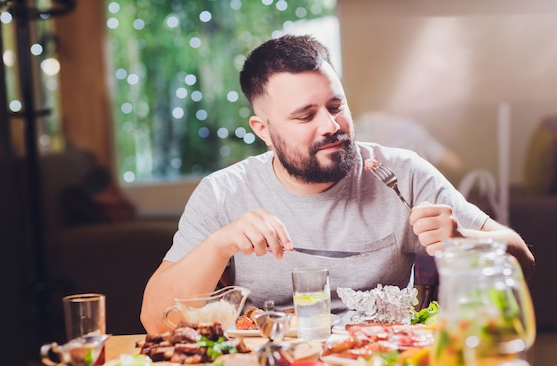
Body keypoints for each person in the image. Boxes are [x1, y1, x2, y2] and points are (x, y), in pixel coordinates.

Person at [140, 35, 534, 333]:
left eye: (335, 106)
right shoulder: (224, 192)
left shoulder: (403, 173)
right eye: (305, 116)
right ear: (263, 129)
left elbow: (521, 260)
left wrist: (464, 241)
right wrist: (218, 245)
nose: (331, 127)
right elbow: (155, 321)